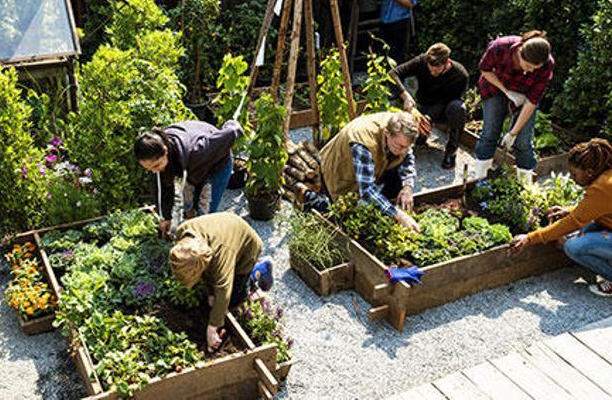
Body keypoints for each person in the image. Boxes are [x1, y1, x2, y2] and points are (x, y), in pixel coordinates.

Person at [509, 139, 612, 297]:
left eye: (574, 174)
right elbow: (601, 207)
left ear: (589, 172)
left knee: (573, 246)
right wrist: (569, 210)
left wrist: (530, 238)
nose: (572, 178)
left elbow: (574, 222)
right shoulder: (610, 176)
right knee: (574, 237)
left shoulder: (604, 187)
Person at [298, 111, 421, 232]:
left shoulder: (402, 131)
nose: (402, 150)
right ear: (387, 133)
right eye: (399, 146)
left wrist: (408, 187)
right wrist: (398, 215)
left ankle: (385, 208)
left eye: (406, 147)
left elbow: (407, 157)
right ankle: (308, 197)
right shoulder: (363, 144)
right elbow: (367, 190)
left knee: (398, 180)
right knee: (340, 215)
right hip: (339, 171)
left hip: (370, 163)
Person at [169, 212, 273, 351]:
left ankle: (259, 270)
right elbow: (204, 271)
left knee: (235, 298)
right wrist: (211, 293)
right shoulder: (183, 233)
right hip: (225, 230)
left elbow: (224, 290)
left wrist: (212, 329)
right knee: (214, 292)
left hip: (246, 248)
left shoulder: (222, 253)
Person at [134, 119, 244, 233]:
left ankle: (204, 239)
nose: (153, 171)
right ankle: (192, 227)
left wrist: (232, 126)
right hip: (192, 165)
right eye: (148, 168)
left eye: (156, 165)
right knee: (189, 207)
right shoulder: (157, 154)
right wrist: (165, 217)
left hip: (216, 165)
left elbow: (229, 134)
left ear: (165, 151)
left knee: (204, 215)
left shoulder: (199, 149)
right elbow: (161, 188)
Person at [473, 31, 554, 182]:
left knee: (523, 142)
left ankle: (525, 185)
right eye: (528, 66)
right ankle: (481, 180)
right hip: (495, 88)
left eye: (536, 68)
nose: (531, 71)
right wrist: (507, 92)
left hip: (525, 96)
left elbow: (532, 102)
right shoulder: (500, 48)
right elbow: (485, 70)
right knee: (490, 133)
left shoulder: (547, 64)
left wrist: (512, 133)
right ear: (519, 52)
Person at [392, 43, 469, 169]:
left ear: (447, 62)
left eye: (436, 69)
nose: (431, 72)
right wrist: (405, 95)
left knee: (458, 108)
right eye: (429, 68)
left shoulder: (460, 75)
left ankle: (451, 150)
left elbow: (446, 101)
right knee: (417, 138)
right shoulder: (422, 61)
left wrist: (427, 117)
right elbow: (393, 73)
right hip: (423, 105)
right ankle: (422, 135)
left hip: (445, 110)